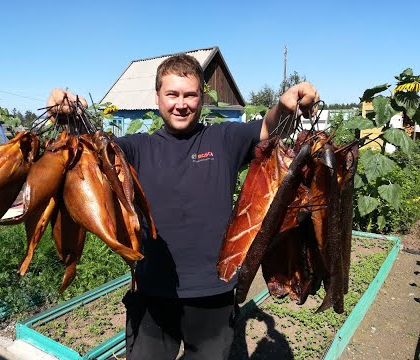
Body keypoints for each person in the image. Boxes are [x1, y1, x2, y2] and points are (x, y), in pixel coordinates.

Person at [51, 54, 319, 359]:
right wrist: (69, 119)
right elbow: (89, 154)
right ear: (157, 97)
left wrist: (287, 105)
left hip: (213, 293)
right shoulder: (138, 147)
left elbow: (271, 128)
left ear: (201, 98)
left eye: (190, 95)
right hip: (152, 290)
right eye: (172, 94)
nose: (182, 104)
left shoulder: (223, 139)